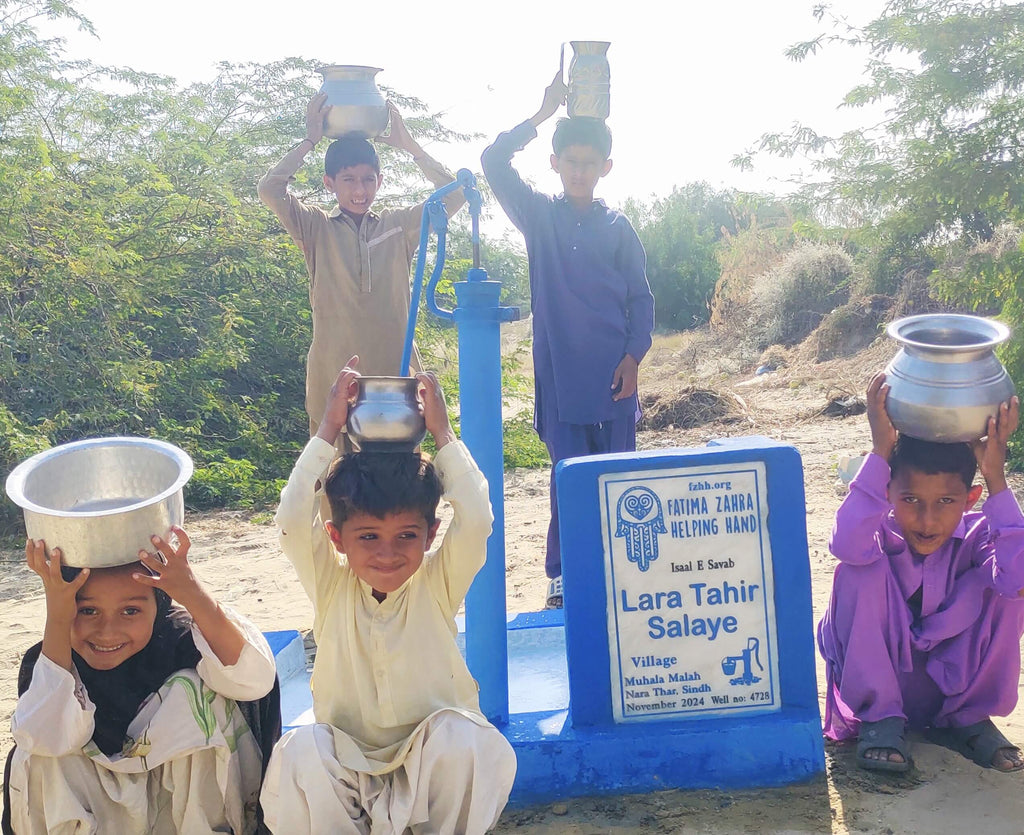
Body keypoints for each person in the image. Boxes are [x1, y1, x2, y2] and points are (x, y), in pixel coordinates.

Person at [260, 357, 517, 834]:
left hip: (428, 763)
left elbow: (478, 521)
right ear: (337, 539)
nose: (388, 555)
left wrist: (444, 436)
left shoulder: (438, 584)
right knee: (301, 752)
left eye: (405, 536)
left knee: (465, 738)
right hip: (348, 766)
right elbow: (294, 521)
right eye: (369, 538)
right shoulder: (331, 585)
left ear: (430, 533)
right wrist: (327, 429)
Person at [480, 71, 655, 608]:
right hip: (559, 383)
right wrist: (539, 114)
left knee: (618, 483)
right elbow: (492, 162)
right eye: (569, 162)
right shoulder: (538, 217)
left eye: (589, 163)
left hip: (615, 382)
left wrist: (633, 357)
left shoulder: (619, 226)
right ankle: (561, 579)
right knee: (568, 483)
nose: (579, 172)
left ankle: (622, 576)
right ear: (554, 165)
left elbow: (641, 301)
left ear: (606, 168)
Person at [3, 528, 280, 834]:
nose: (107, 632)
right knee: (35, 742)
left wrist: (190, 591)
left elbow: (253, 680)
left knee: (196, 694)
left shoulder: (186, 641)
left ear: (159, 605)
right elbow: (46, 736)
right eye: (88, 610)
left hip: (179, 815)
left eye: (130, 611)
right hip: (98, 813)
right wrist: (57, 620)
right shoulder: (50, 659)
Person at [817, 371, 1024, 774]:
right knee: (857, 571)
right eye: (910, 499)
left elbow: (1016, 578)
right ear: (888, 493)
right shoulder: (876, 534)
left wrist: (997, 478)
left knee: (1006, 587)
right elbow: (844, 546)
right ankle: (881, 720)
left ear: (971, 499)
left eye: (946, 500)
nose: (927, 519)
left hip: (948, 692)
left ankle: (966, 719)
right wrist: (881, 451)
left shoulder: (980, 537)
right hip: (880, 691)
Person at [258, 94, 466, 445]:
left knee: (398, 486)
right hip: (334, 381)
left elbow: (456, 196)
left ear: (380, 182)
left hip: (397, 382)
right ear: (330, 183)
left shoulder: (398, 225)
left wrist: (409, 145)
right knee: (335, 486)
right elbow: (270, 189)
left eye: (368, 180)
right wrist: (310, 140)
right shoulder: (315, 226)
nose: (359, 190)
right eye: (349, 180)